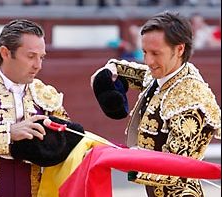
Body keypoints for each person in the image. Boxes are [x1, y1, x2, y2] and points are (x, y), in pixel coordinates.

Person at [91, 11, 221, 197]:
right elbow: (133, 72)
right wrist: (107, 72)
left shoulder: (192, 101)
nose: (148, 61)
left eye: (156, 53)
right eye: (145, 52)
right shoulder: (169, 73)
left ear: (179, 50)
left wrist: (125, 159)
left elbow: (176, 167)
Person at [0, 19, 70, 197]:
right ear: (5, 53)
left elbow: (71, 142)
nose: (38, 65)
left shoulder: (46, 96)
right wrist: (8, 134)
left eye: (41, 57)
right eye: (31, 56)